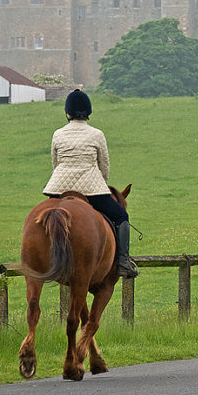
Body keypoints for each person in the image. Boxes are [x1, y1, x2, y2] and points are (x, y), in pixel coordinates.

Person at [42, 89, 139, 278]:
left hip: (59, 187)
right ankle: (123, 262)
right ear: (88, 112)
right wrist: (100, 184)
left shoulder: (58, 134)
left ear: (67, 113)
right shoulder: (97, 134)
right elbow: (104, 165)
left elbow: (55, 163)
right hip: (91, 188)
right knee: (121, 216)